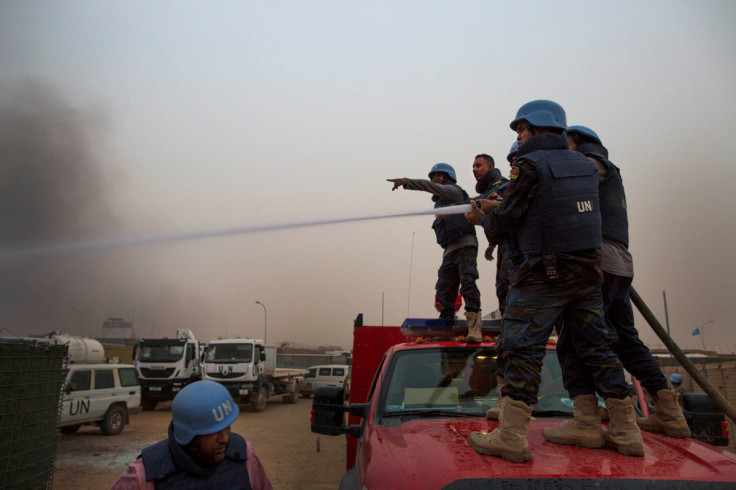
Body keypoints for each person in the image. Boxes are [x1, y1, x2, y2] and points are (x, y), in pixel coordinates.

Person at [464, 100, 642, 462]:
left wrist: (483, 217)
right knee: (597, 348)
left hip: (544, 274)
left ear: (539, 128)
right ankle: (627, 432)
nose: (519, 136)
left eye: (522, 129)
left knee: (520, 348)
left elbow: (508, 219)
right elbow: (552, 205)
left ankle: (511, 435)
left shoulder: (529, 165)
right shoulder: (585, 165)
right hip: (588, 274)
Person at [543, 125, 690, 449]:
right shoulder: (609, 169)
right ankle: (669, 413)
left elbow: (571, 186)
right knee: (625, 340)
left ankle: (587, 422)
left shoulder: (591, 162)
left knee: (576, 338)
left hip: (598, 262)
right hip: (619, 262)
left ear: (576, 141)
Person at [110, 380, 272, 490]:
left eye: (226, 428)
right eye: (213, 432)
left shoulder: (244, 455)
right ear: (189, 437)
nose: (225, 439)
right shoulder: (145, 476)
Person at [388, 163, 483, 343]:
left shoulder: (454, 192)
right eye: (434, 176)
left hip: (465, 245)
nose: (435, 179)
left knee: (468, 283)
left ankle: (474, 326)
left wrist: (406, 182)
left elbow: (429, 187)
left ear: (449, 178)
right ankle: (446, 323)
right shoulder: (439, 204)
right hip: (449, 250)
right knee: (444, 289)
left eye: (440, 176)